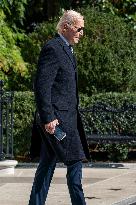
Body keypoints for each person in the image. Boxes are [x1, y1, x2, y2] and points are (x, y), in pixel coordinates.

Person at [28, 10, 90, 205]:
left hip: (65, 119)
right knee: (75, 162)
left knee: (46, 166)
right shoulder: (53, 48)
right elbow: (42, 86)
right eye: (78, 29)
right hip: (57, 122)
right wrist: (48, 118)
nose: (81, 33)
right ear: (66, 27)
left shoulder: (68, 50)